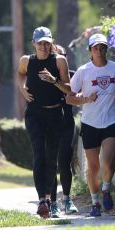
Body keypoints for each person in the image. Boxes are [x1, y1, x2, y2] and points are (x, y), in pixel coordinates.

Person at [17, 26, 70, 218]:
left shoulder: (59, 61)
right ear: (33, 43)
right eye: (40, 43)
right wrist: (22, 88)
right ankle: (42, 201)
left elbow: (68, 89)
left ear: (51, 43)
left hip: (55, 114)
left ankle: (48, 197)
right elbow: (21, 73)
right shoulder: (26, 60)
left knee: (51, 159)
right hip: (34, 114)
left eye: (47, 42)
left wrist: (53, 79)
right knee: (39, 154)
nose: (44, 46)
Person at [66, 33, 115, 217]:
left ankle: (106, 189)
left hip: (111, 121)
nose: (99, 50)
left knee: (109, 163)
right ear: (90, 50)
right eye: (95, 47)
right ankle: (95, 203)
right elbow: (69, 98)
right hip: (90, 124)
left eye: (102, 47)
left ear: (106, 49)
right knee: (93, 167)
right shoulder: (83, 71)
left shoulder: (114, 69)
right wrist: (87, 99)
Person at [50, 44, 78, 217]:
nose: (61, 58)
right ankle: (53, 203)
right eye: (57, 56)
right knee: (51, 164)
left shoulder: (74, 76)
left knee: (65, 163)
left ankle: (67, 199)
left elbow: (76, 94)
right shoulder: (45, 78)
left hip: (67, 124)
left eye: (63, 55)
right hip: (49, 125)